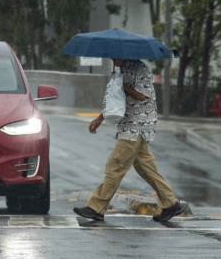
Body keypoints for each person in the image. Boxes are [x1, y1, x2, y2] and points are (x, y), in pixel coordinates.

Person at [73, 58, 183, 222]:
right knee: (147, 169)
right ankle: (170, 204)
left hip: (137, 126)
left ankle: (96, 207)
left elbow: (141, 95)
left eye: (114, 56)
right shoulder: (122, 72)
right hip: (129, 126)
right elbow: (116, 101)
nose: (112, 59)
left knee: (115, 166)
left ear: (123, 54)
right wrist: (99, 119)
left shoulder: (140, 69)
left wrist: (121, 85)